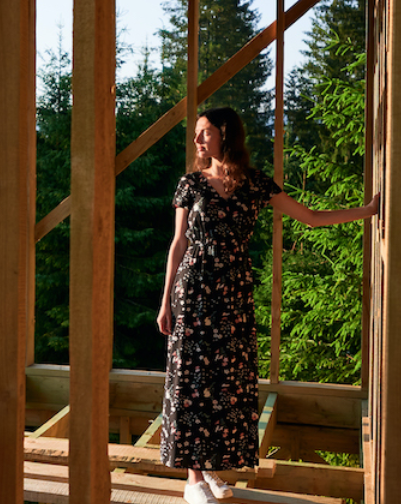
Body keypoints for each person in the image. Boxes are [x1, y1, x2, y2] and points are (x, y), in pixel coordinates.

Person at [157, 106, 379, 504]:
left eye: (204, 132)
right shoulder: (190, 184)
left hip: (234, 292)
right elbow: (179, 244)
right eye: (196, 134)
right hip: (193, 288)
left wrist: (366, 212)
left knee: (228, 380)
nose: (197, 141)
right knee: (192, 379)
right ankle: (193, 478)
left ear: (225, 134)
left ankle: (211, 469)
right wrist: (164, 303)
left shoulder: (255, 183)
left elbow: (308, 218)